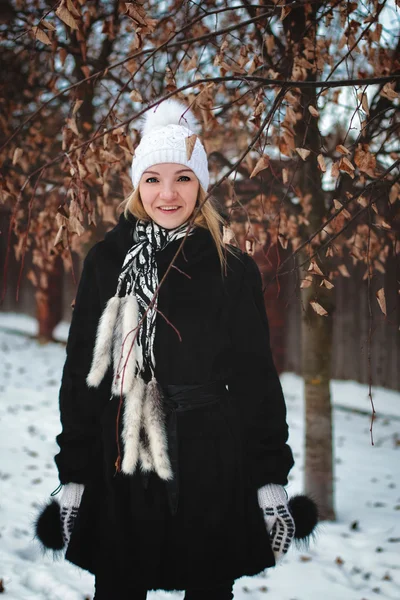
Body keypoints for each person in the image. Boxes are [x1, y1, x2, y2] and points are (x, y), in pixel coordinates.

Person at [36, 99, 299, 599]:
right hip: (123, 455)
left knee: (207, 586)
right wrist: (73, 477)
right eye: (153, 178)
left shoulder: (232, 268)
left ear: (201, 184)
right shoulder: (107, 260)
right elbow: (82, 376)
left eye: (182, 177)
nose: (168, 192)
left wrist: (269, 478)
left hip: (209, 457)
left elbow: (255, 378)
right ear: (138, 184)